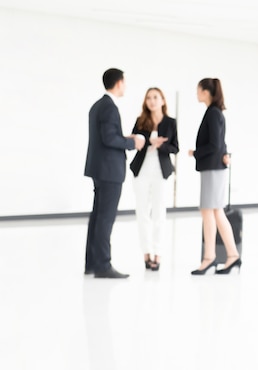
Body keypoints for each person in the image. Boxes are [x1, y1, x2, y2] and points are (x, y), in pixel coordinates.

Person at [84, 68, 145, 279]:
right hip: (109, 171)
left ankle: (92, 264)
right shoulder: (110, 108)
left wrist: (123, 137)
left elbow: (106, 137)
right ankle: (103, 265)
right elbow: (110, 140)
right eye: (125, 82)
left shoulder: (97, 106)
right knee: (105, 219)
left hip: (99, 168)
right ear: (118, 83)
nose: (125, 86)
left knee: (97, 217)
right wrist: (132, 142)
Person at [189, 78, 241, 275]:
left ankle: (211, 258)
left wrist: (195, 153)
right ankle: (230, 255)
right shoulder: (214, 113)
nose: (197, 93)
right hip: (213, 167)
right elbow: (220, 143)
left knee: (211, 211)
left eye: (198, 90)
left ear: (206, 92)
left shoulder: (213, 113)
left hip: (212, 168)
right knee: (213, 211)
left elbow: (215, 144)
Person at [129, 87, 179, 271]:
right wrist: (149, 141)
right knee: (142, 213)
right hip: (141, 171)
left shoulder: (170, 123)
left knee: (159, 213)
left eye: (155, 97)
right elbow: (133, 142)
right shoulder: (141, 121)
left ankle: (157, 254)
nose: (152, 101)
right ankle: (146, 253)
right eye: (149, 98)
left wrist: (160, 146)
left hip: (161, 172)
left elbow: (175, 148)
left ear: (163, 101)